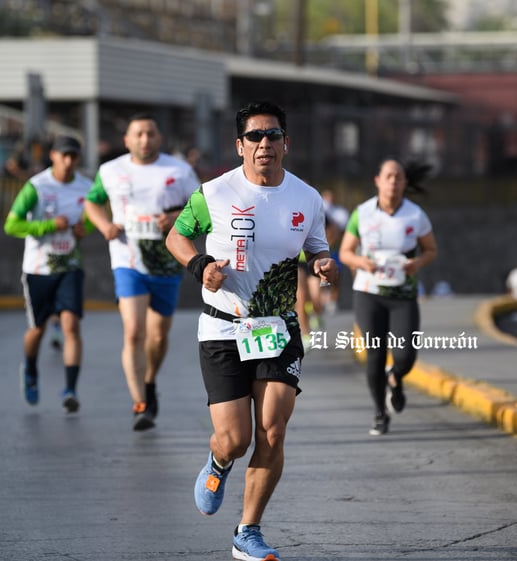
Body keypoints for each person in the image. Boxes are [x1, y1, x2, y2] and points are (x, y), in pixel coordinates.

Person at [166, 100, 338, 561]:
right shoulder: (214, 193)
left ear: (286, 142)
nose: (266, 144)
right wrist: (200, 264)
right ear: (239, 145)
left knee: (273, 431)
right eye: (256, 136)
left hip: (278, 328)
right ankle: (219, 461)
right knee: (236, 439)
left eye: (274, 135)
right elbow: (176, 238)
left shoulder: (307, 197)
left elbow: (318, 249)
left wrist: (324, 265)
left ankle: (248, 530)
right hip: (223, 327)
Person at [85, 113, 200, 431]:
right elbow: (92, 202)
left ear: (159, 138)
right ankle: (139, 404)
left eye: (150, 133)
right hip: (127, 259)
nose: (144, 140)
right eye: (138, 134)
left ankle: (149, 382)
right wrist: (105, 225)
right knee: (134, 331)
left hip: (166, 261)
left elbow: (205, 208)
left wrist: (177, 216)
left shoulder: (179, 170)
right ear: (127, 140)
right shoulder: (110, 170)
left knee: (158, 336)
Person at [338, 158, 438, 437]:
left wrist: (416, 264)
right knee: (375, 354)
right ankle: (380, 414)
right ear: (378, 181)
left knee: (406, 355)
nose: (393, 181)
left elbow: (431, 250)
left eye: (399, 177)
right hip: (369, 292)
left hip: (403, 294)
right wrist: (360, 262)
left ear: (405, 183)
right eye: (389, 176)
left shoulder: (415, 215)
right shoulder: (363, 213)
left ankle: (395, 377)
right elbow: (345, 252)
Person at [3, 136, 93, 414]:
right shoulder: (37, 187)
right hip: (39, 268)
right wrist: (47, 226)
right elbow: (12, 225)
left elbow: (91, 220)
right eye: (63, 155)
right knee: (38, 329)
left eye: (73, 157)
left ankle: (70, 390)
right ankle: (30, 368)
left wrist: (83, 229)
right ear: (53, 155)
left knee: (71, 326)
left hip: (70, 267)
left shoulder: (86, 187)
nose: (68, 162)